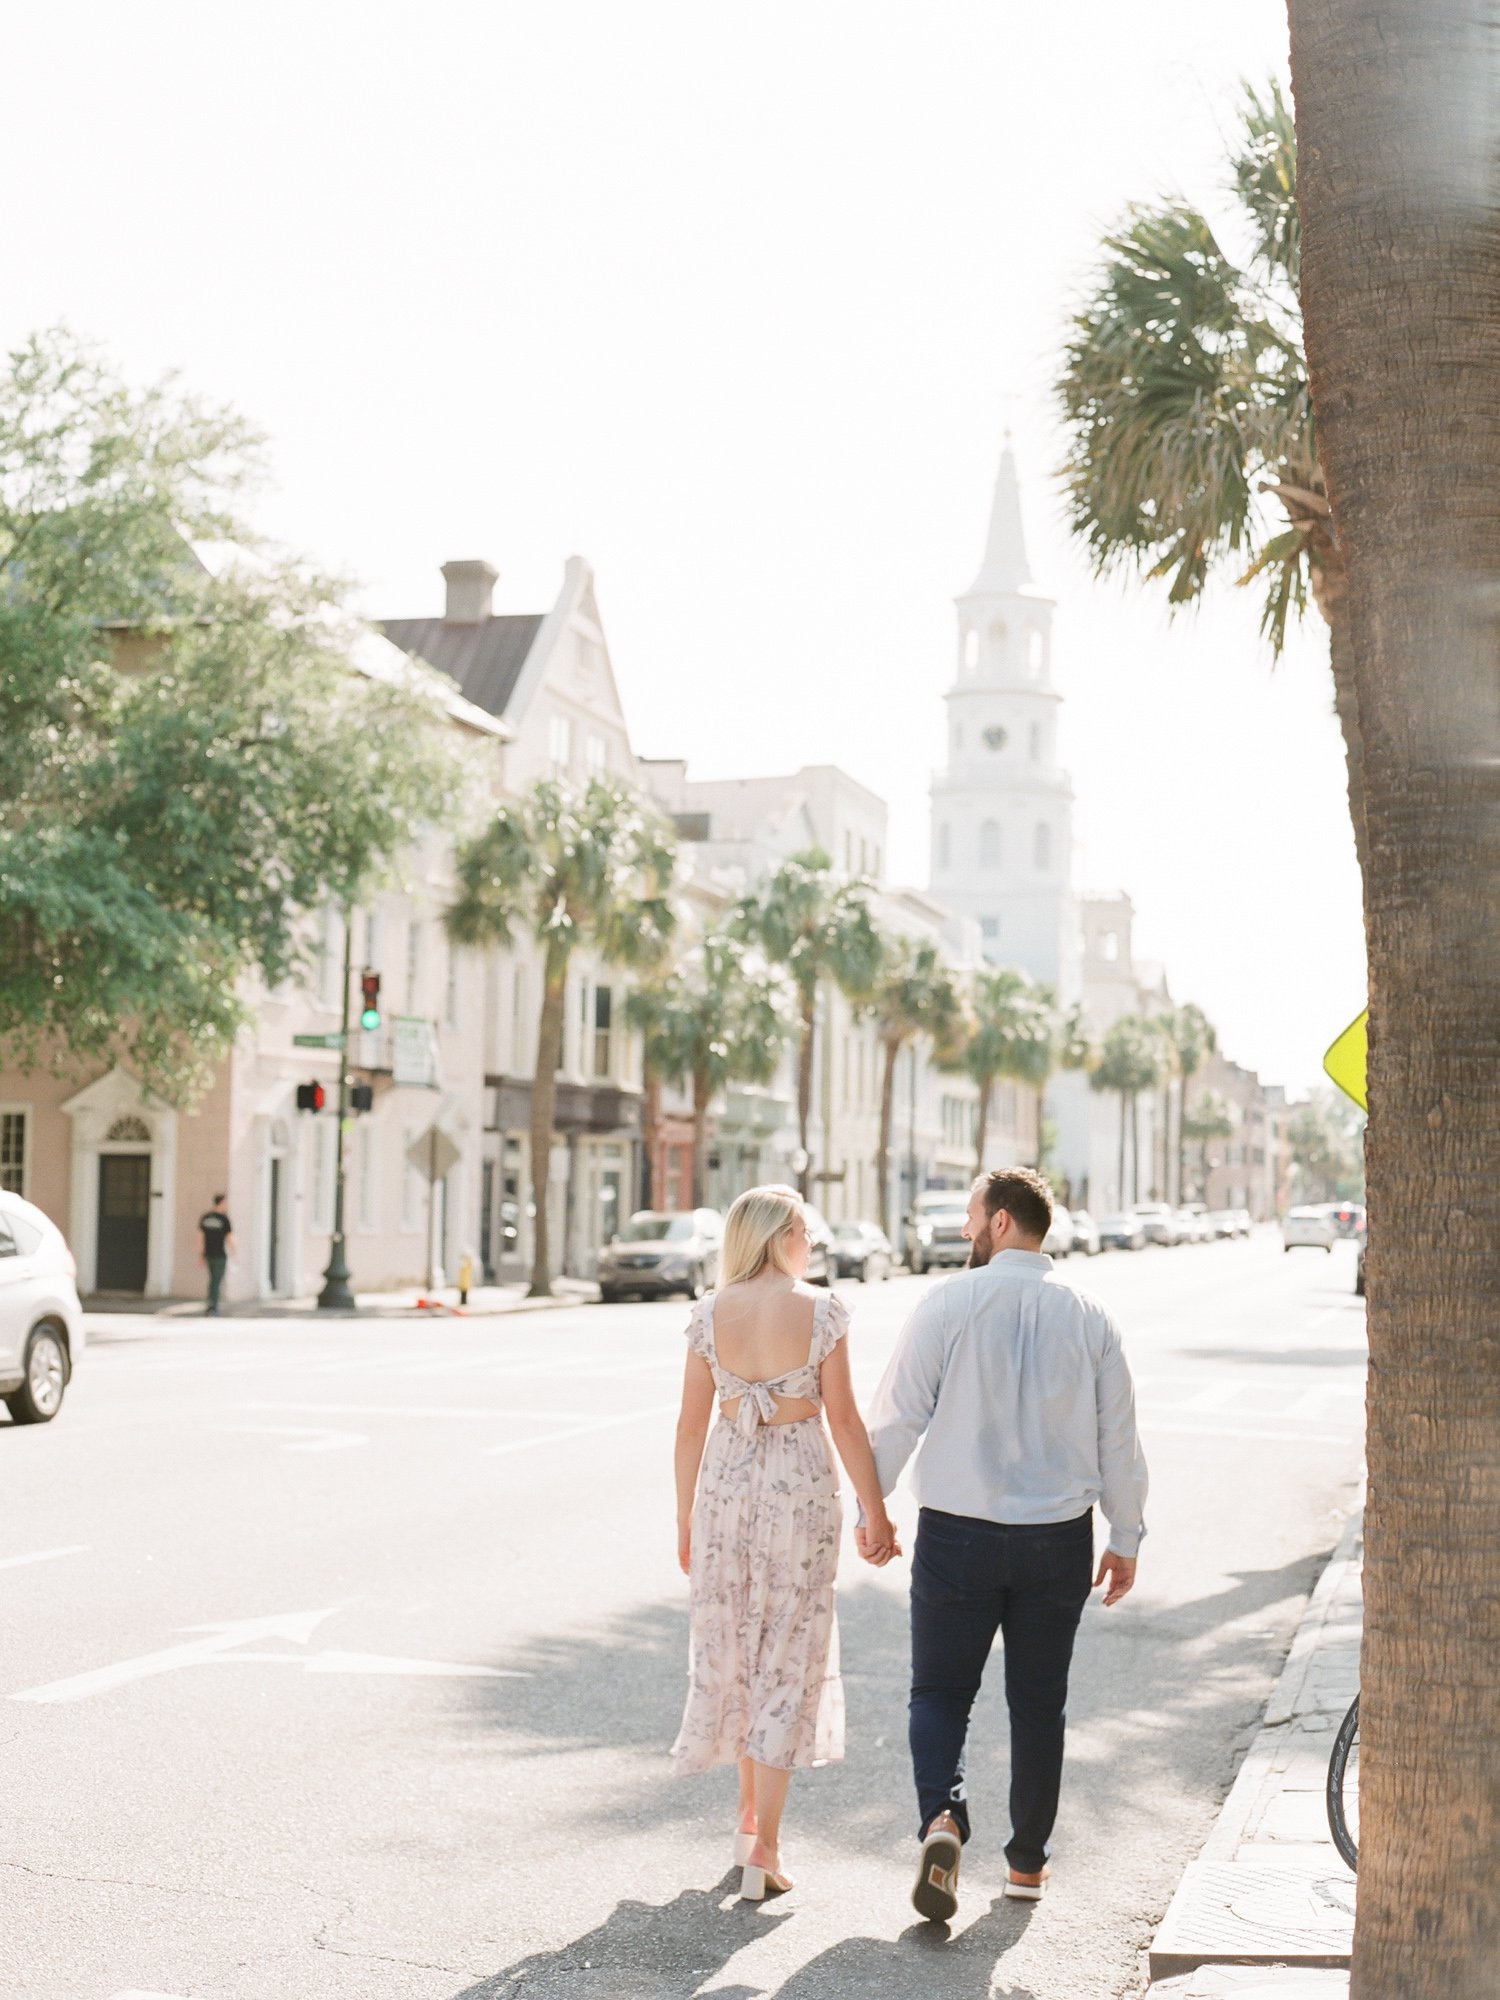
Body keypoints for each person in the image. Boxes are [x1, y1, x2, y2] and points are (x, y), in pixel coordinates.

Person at [858, 1166, 1147, 1922]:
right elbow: (1119, 1438)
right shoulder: (1091, 1316)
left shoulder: (948, 1303)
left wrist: (871, 1511)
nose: (963, 1230)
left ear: (1001, 1224)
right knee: (1038, 1703)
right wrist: (1127, 1533)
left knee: (940, 1692)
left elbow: (895, 1419)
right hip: (1057, 1540)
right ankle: (1026, 1865)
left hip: (958, 1534)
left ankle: (943, 1820)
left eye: (970, 1216)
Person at [670, 1184, 899, 1901]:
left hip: (726, 1489)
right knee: (787, 1655)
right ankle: (764, 1848)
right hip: (798, 1485)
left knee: (736, 1647)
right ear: (778, 1236)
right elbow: (846, 1422)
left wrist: (685, 1520)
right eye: (804, 1229)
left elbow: (688, 1427)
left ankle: (747, 1826)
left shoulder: (709, 1315)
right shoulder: (823, 1311)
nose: (812, 1242)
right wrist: (876, 1512)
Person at [199, 1195, 234, 1317]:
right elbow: (230, 1238)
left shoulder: (205, 1218)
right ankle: (213, 1307)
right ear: (221, 1203)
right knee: (216, 1281)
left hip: (208, 1254)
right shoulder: (224, 1219)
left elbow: (201, 1238)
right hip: (219, 1254)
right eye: (226, 1202)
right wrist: (234, 1253)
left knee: (212, 1280)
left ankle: (210, 1305)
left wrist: (201, 1254)